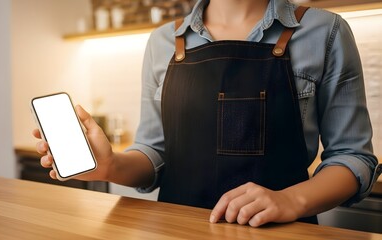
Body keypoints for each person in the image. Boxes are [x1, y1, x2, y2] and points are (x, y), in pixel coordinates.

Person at [33, 0, 381, 227]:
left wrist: (290, 200)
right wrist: (109, 165)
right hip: (177, 232)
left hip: (281, 235)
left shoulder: (326, 32)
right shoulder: (163, 43)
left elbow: (353, 158)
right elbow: (155, 152)